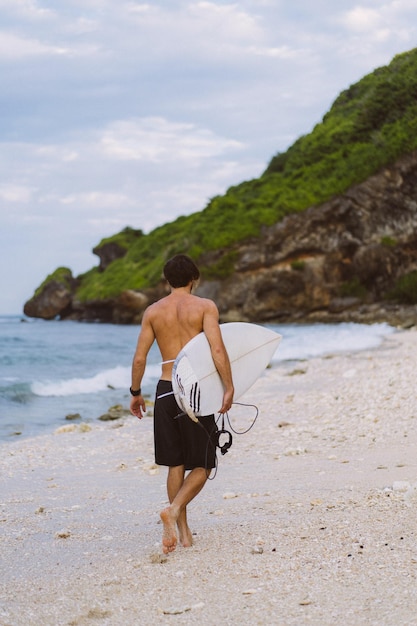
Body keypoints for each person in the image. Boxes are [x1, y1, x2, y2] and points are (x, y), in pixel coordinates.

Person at [130, 254, 234, 554]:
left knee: (175, 463)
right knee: (203, 463)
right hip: (195, 389)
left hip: (164, 388)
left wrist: (135, 392)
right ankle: (174, 511)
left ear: (167, 280)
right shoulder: (204, 307)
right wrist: (228, 386)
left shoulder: (152, 311)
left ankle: (184, 533)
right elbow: (216, 348)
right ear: (194, 279)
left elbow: (140, 358)